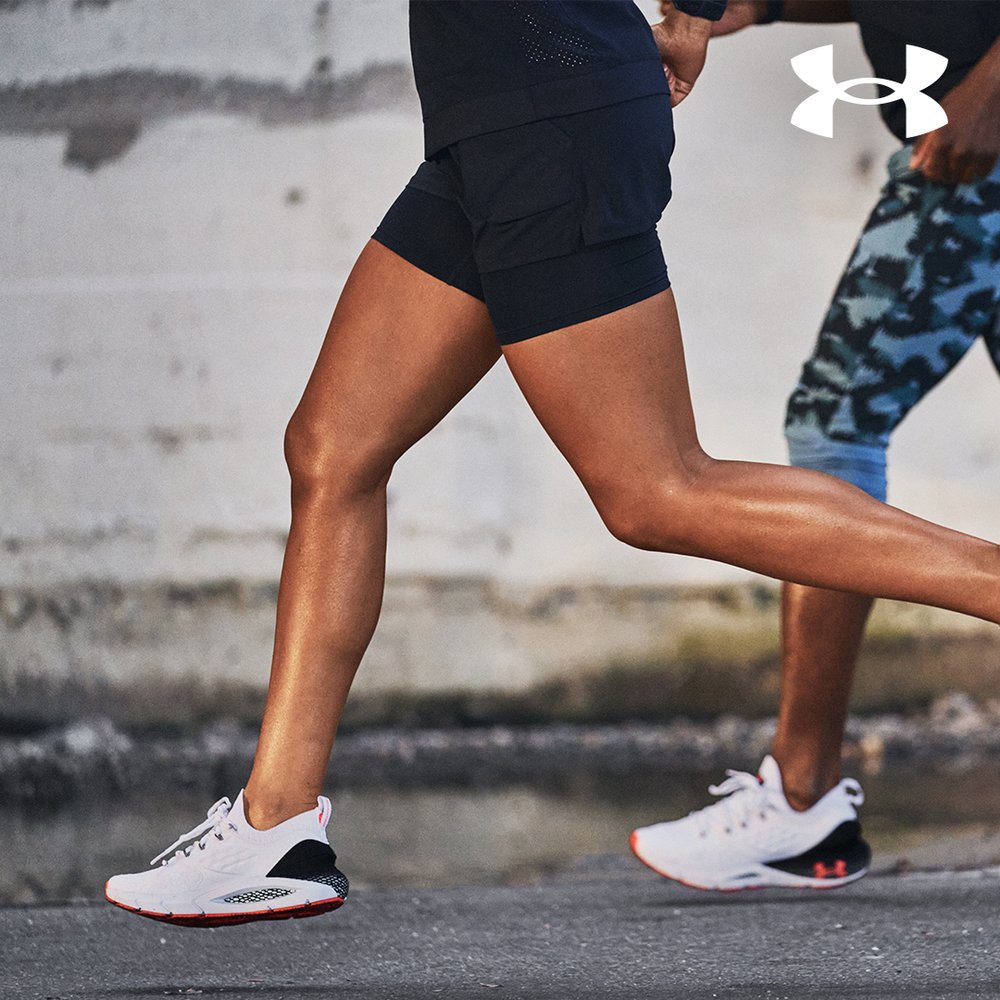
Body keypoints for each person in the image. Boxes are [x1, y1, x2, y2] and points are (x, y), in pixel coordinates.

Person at [105, 0, 1000, 926]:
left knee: (658, 490)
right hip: (487, 119)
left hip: (549, 116)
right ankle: (273, 828)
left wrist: (694, 11)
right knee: (332, 449)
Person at [631, 0, 1000, 892]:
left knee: (836, 423)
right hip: (969, 140)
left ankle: (802, 800)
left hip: (973, 154)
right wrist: (764, 7)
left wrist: (990, 88)